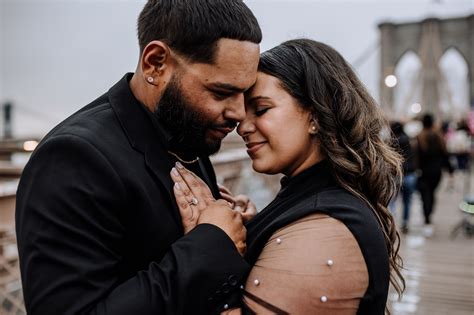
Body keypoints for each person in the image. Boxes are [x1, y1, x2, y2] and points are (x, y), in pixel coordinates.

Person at [15, 1, 261, 314]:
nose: (238, 113)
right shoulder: (73, 158)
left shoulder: (187, 131)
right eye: (221, 92)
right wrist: (211, 245)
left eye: (245, 93)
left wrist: (239, 229)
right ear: (155, 63)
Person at [170, 39, 405, 314]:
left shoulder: (327, 231)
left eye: (260, 109)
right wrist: (251, 230)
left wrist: (207, 244)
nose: (242, 126)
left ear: (315, 115)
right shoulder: (318, 199)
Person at [416, 113, 451, 237]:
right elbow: (445, 155)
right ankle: (429, 216)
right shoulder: (439, 137)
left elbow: (417, 157)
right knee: (431, 194)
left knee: (425, 195)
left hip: (424, 173)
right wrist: (450, 170)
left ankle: (427, 218)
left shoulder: (419, 138)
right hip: (436, 173)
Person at [389, 121, 417, 234]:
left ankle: (392, 221)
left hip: (396, 174)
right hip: (409, 174)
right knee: (407, 202)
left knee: (392, 200)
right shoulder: (410, 141)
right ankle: (405, 223)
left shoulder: (392, 142)